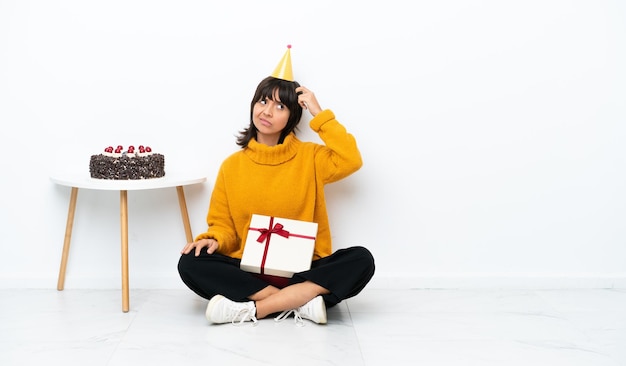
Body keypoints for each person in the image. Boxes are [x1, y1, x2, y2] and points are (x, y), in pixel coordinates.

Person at [178, 47, 375, 326]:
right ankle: (300, 302)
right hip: (250, 272)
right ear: (253, 105)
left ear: (293, 116)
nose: (267, 111)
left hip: (303, 269)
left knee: (361, 260)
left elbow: (350, 159)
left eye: (280, 106)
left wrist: (319, 113)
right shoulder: (232, 166)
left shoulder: (311, 158)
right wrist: (214, 240)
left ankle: (255, 309)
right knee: (191, 262)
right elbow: (223, 226)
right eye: (262, 101)